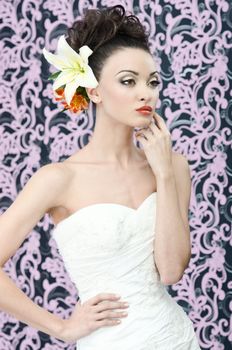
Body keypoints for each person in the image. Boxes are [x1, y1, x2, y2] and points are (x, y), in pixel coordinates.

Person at [0, 4, 201, 349]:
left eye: (152, 82)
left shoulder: (174, 167)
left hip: (176, 339)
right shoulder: (59, 179)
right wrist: (60, 327)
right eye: (128, 81)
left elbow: (170, 272)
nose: (146, 93)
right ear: (94, 91)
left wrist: (165, 175)